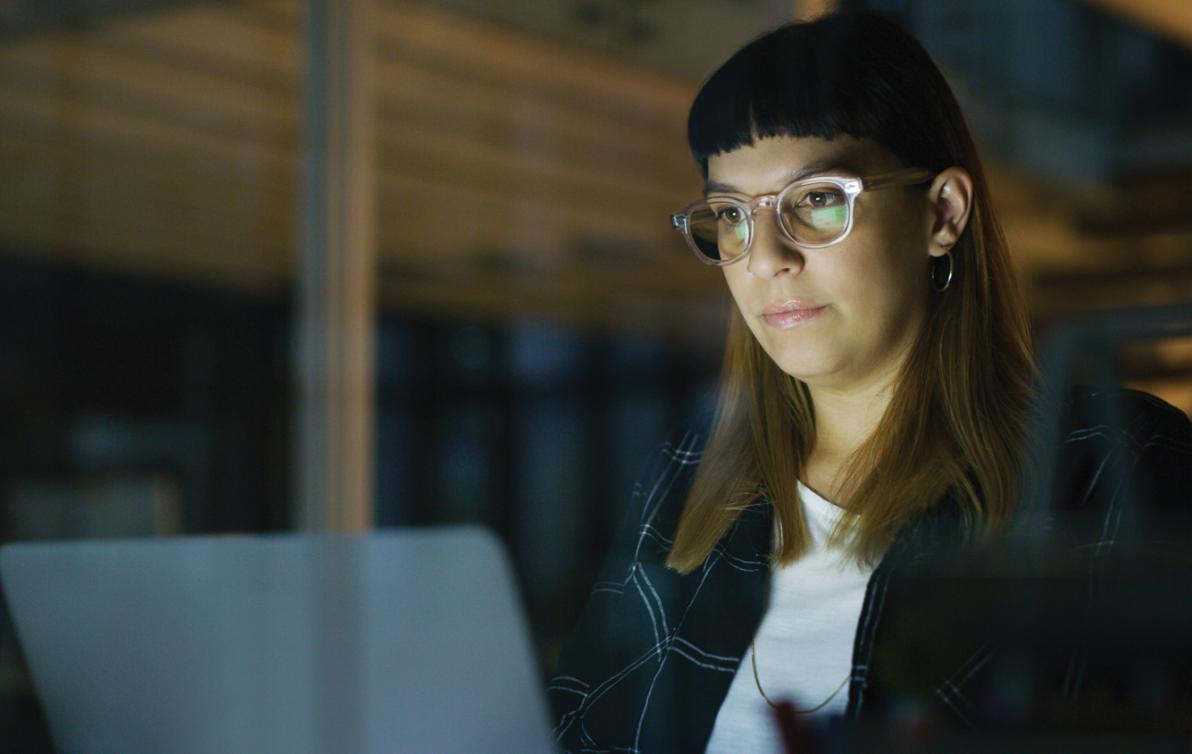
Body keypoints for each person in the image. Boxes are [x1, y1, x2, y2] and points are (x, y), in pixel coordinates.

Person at [547, 9, 1192, 753]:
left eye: (817, 199)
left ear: (942, 214)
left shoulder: (1112, 464)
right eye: (731, 214)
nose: (765, 258)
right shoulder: (686, 484)